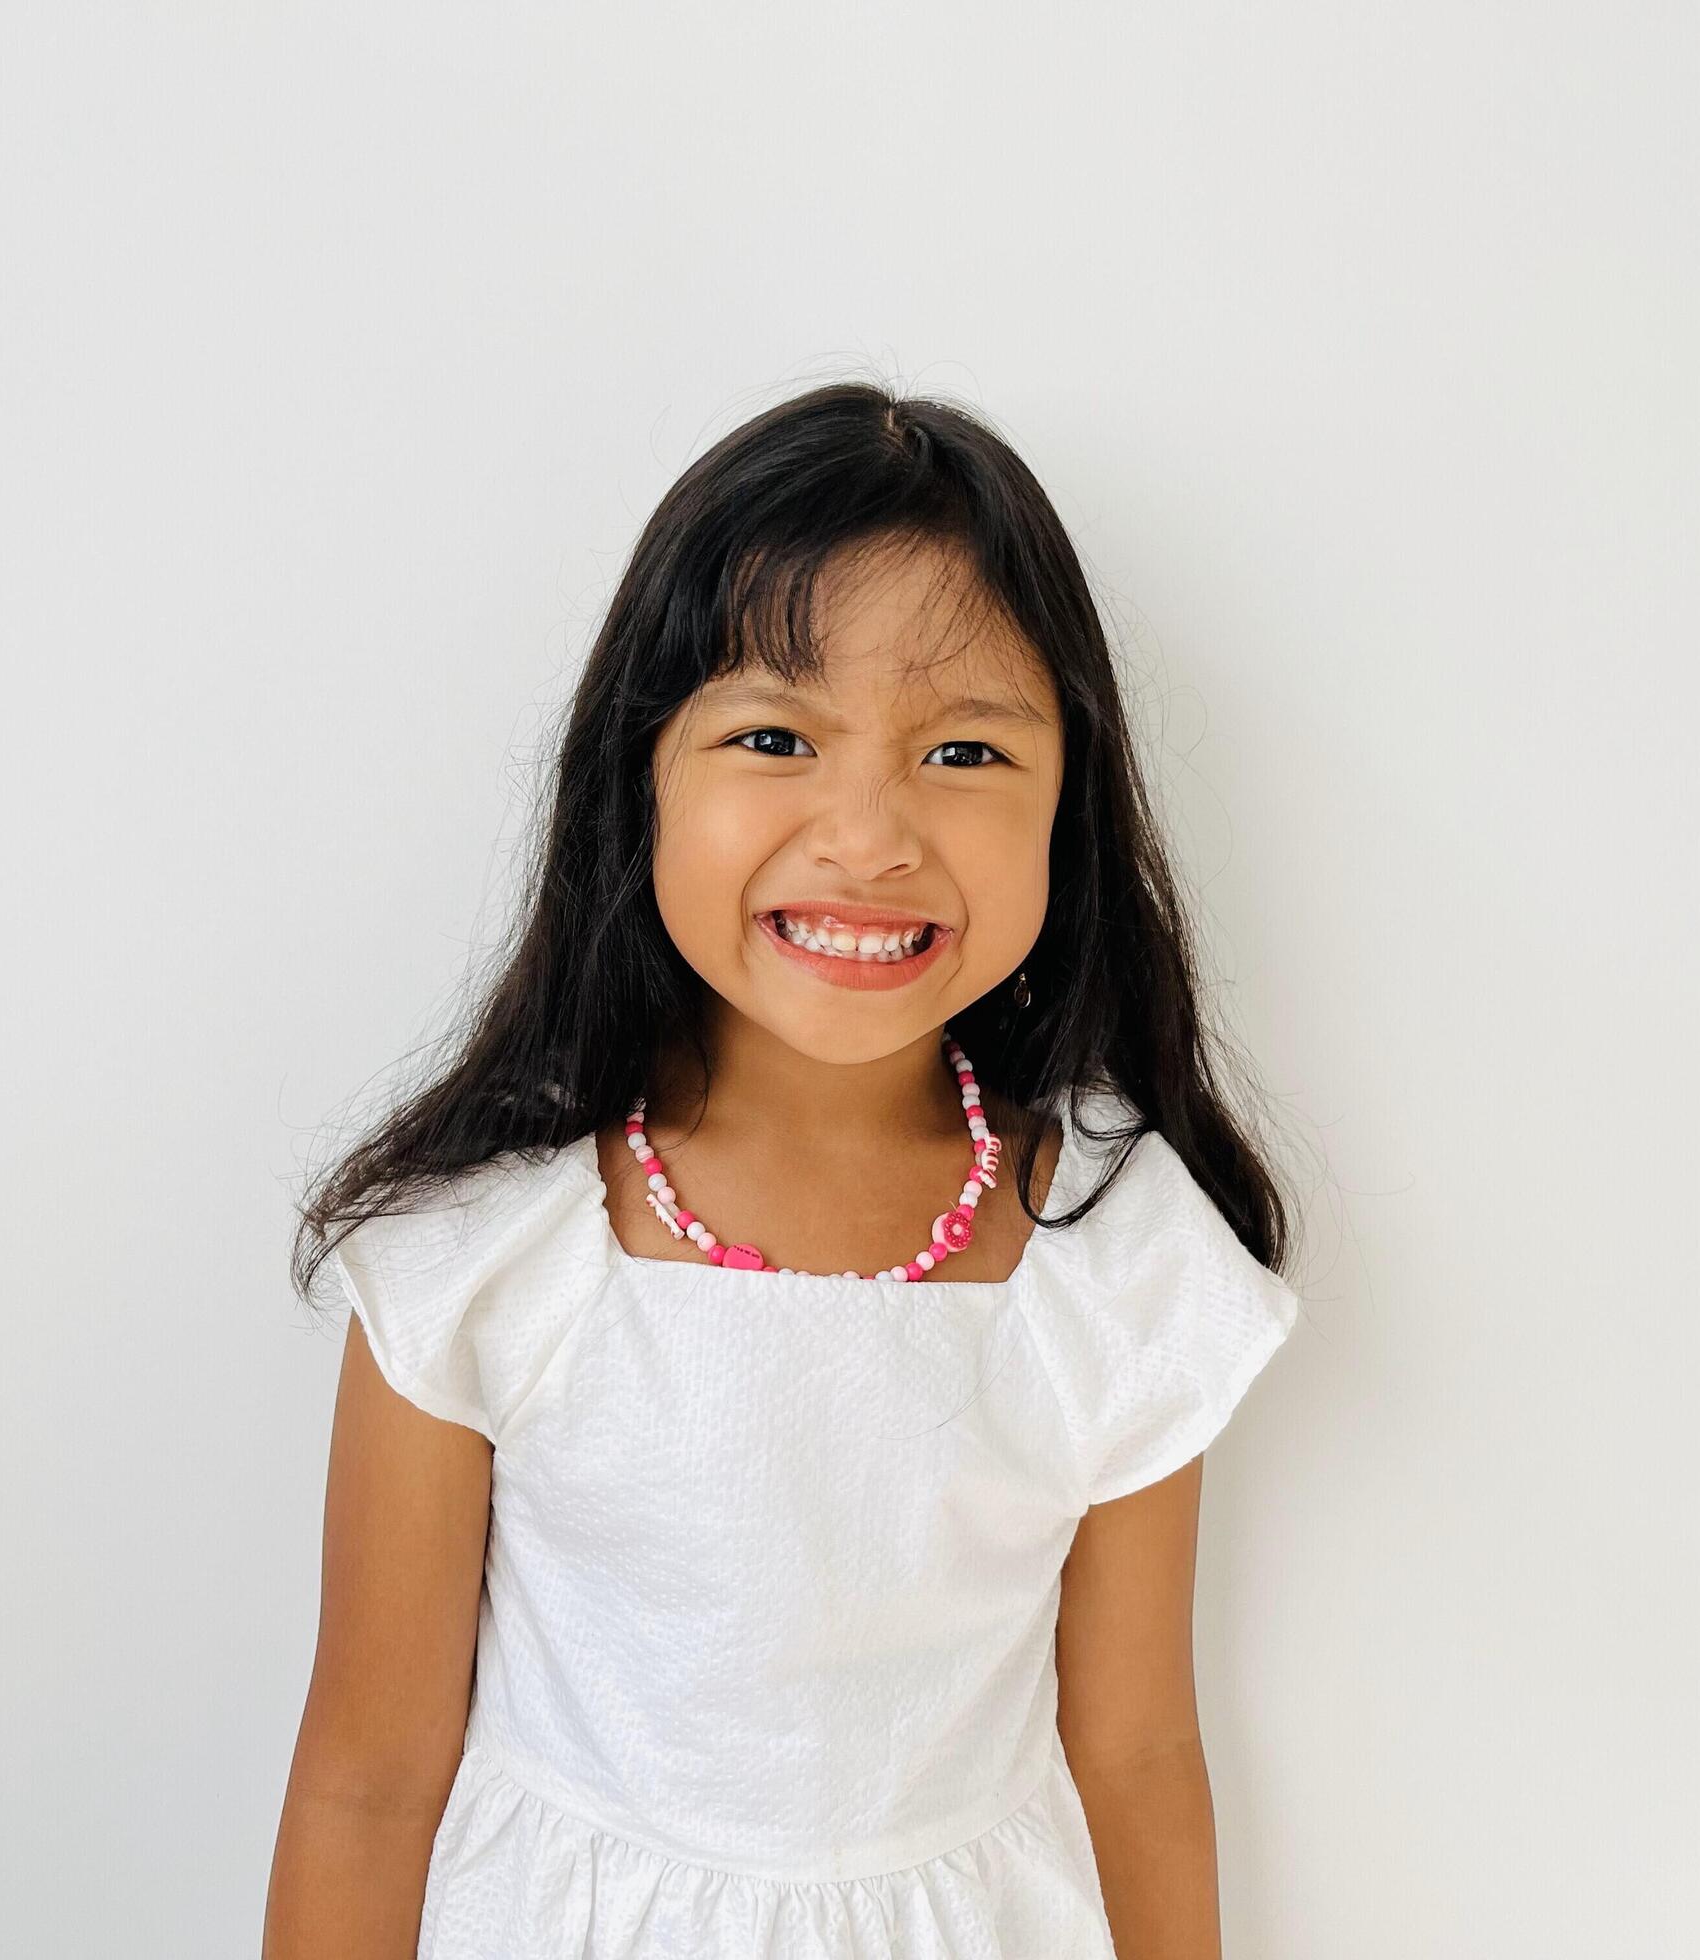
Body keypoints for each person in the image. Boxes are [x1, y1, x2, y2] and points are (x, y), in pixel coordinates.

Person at [264, 381, 1303, 1959]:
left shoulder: (1109, 1256)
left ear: (1067, 816)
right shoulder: (485, 1253)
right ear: (641, 779)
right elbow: (366, 1777)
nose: (869, 834)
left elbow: (1139, 1750)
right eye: (772, 736)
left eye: (962, 750)